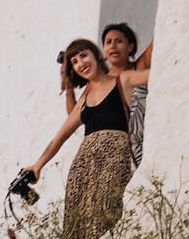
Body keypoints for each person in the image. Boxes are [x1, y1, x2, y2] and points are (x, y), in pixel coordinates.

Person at [25, 38, 149, 239]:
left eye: (83, 55)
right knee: (76, 229)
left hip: (114, 159)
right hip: (83, 170)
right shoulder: (83, 99)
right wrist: (38, 165)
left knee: (104, 215)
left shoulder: (123, 80)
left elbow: (161, 69)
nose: (81, 63)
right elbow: (58, 138)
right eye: (74, 61)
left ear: (94, 54)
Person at [61, 23, 154, 168]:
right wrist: (68, 85)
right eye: (108, 42)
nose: (113, 46)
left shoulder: (139, 67)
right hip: (112, 156)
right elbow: (75, 116)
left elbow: (160, 37)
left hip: (142, 143)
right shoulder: (97, 84)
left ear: (130, 46)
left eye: (119, 41)